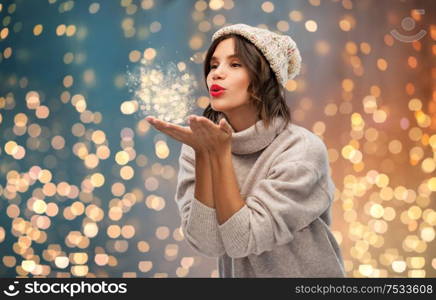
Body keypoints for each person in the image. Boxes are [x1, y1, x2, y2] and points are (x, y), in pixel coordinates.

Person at [146, 23, 345, 277]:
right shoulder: (200, 147)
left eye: (235, 64)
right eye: (214, 65)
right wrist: (206, 157)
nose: (216, 74)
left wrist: (217, 156)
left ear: (265, 78)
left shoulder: (301, 151)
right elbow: (207, 244)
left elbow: (243, 240)